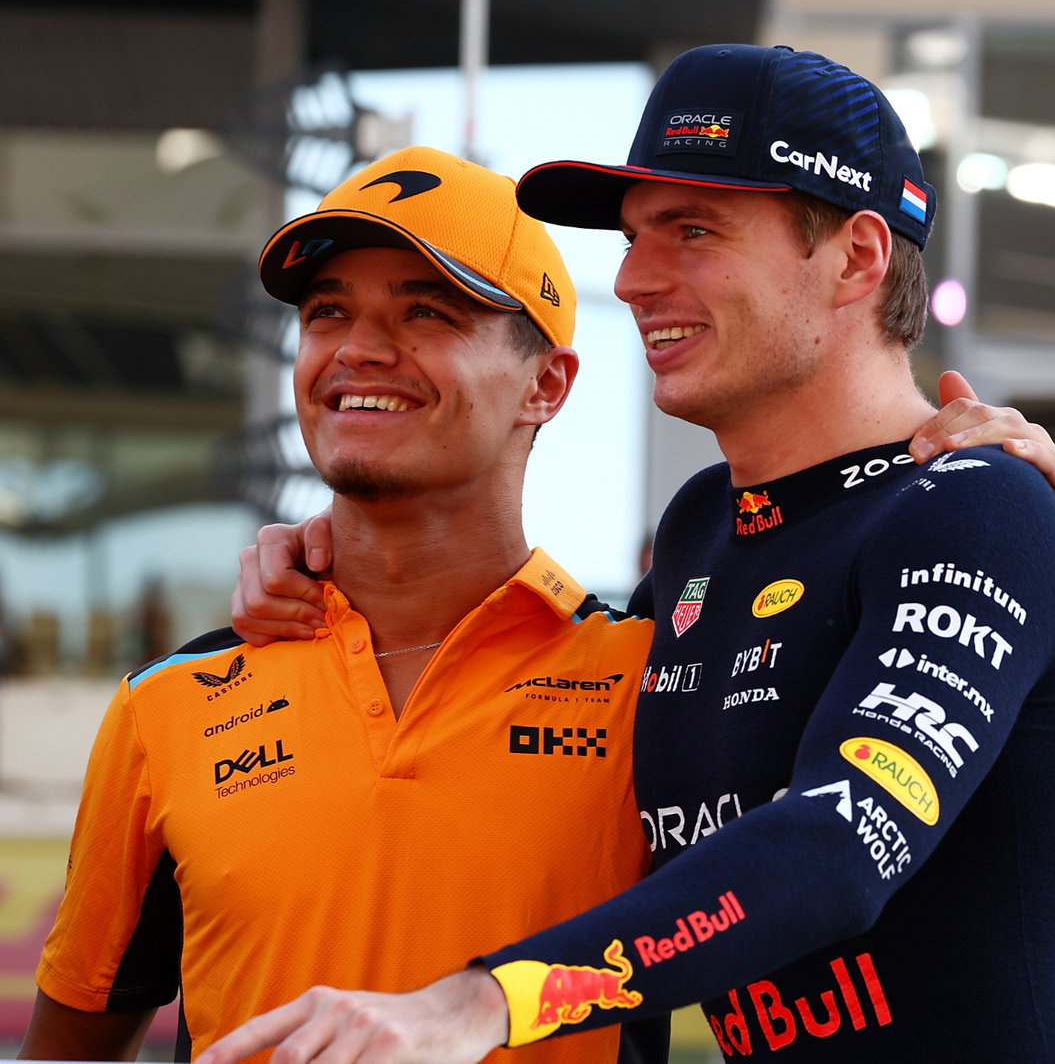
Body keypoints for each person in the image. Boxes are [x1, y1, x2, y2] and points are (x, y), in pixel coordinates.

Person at [204, 43, 1055, 1064]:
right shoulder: (703, 528)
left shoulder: (978, 508)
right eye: (634, 238)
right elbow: (535, 704)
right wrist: (338, 574)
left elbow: (841, 848)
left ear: (857, 258)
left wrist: (483, 1003)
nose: (634, 280)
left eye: (691, 231)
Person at [20, 146, 664, 1064]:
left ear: (546, 385)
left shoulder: (649, 682)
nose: (358, 349)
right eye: (328, 313)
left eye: (425, 311)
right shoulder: (168, 702)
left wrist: (938, 471)